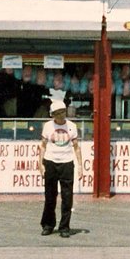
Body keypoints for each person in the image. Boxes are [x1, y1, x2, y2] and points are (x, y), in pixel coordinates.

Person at [37, 99, 83, 238]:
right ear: (53, 115)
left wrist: (80, 165)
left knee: (67, 197)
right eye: (57, 114)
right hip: (50, 161)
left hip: (67, 162)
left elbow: (76, 147)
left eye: (62, 112)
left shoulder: (72, 126)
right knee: (50, 196)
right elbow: (43, 146)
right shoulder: (48, 126)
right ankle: (48, 224)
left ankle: (64, 227)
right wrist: (40, 163)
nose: (60, 116)